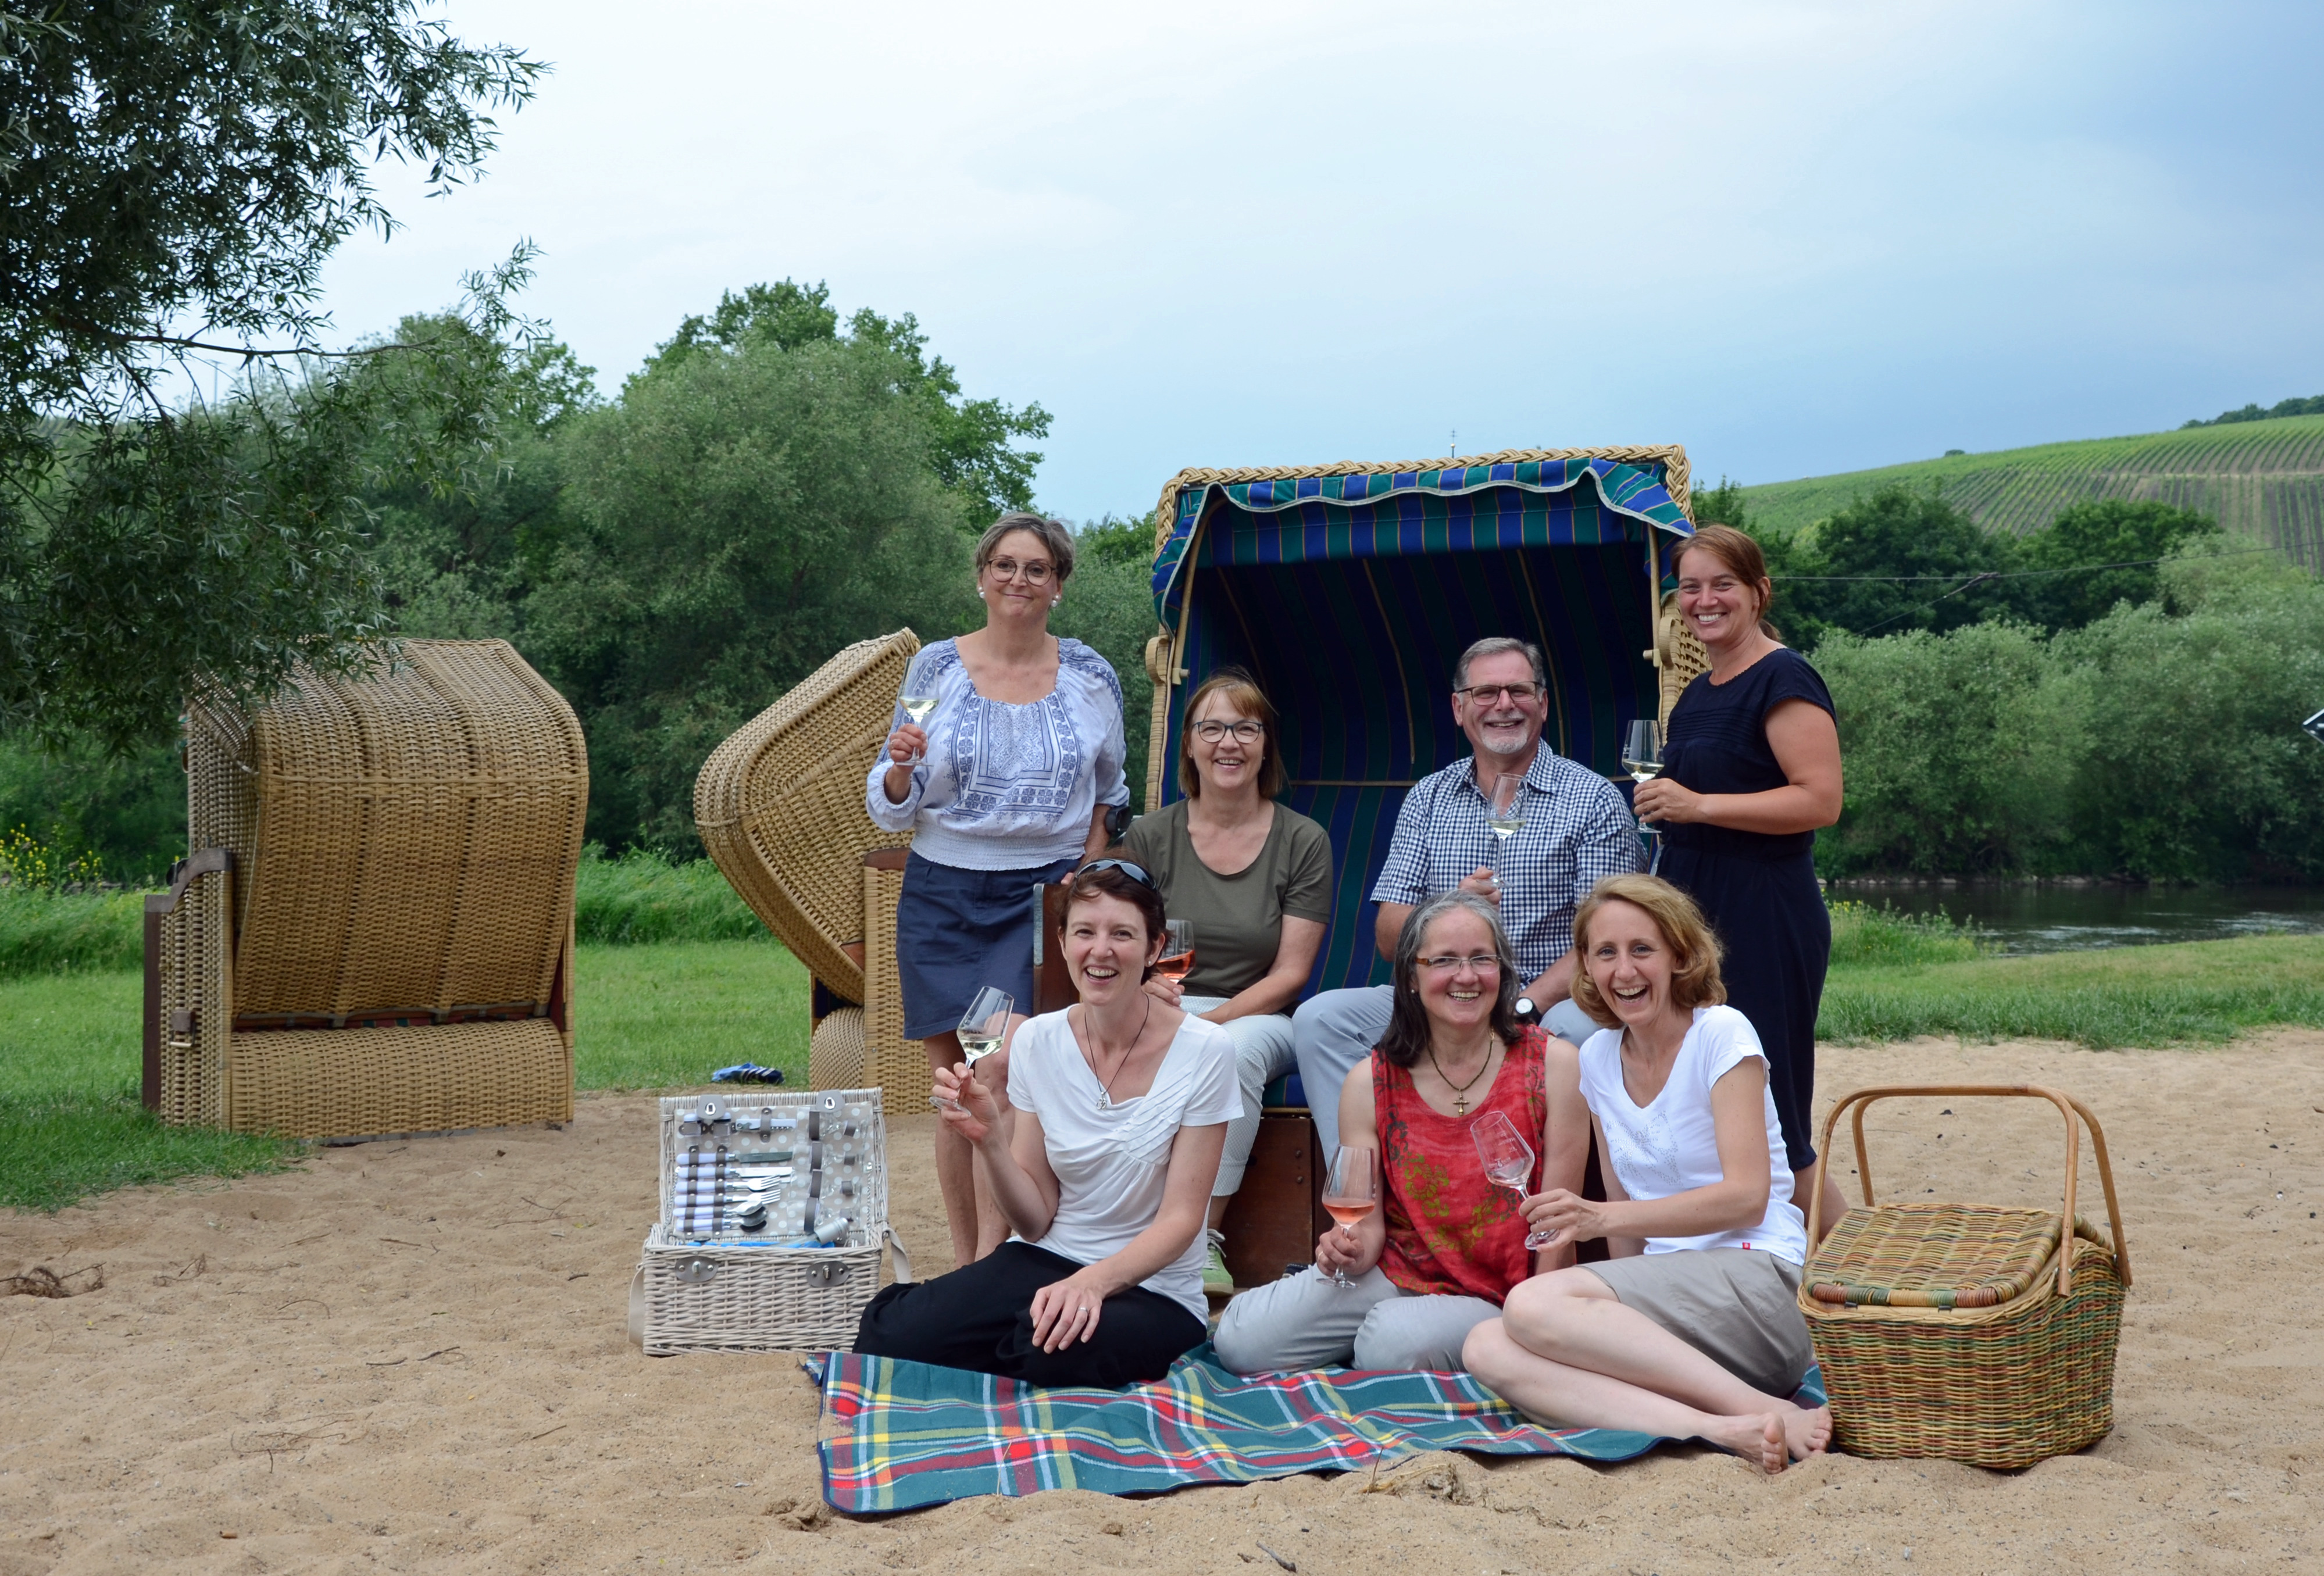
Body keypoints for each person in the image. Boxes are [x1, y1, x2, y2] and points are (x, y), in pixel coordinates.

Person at [1461, 874, 1831, 1474]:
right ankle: (1717, 1424)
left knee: (1529, 1305)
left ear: (1679, 955)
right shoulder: (1599, 1059)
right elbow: (1621, 1207)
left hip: (1757, 1283)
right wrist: (1596, 1275)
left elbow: (1746, 1196)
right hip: (1675, 1312)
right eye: (1605, 952)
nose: (1623, 970)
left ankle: (1766, 1404)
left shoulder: (1720, 1032)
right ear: (1586, 966)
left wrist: (1596, 1221)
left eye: (1642, 949)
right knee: (1485, 1344)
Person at [852, 861, 1238, 1387]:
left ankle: (1018, 1332)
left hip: (1152, 1289)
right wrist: (990, 1142)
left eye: (1121, 934)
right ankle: (993, 1324)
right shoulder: (1038, 1040)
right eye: (1084, 931)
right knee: (888, 1339)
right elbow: (1035, 1220)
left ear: (1153, 948)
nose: (1100, 950)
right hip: (1043, 1259)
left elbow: (1180, 1221)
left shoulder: (1207, 1051)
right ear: (1061, 942)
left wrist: (1092, 1283)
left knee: (1049, 1353)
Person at [866, 512, 1130, 1268]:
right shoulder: (934, 672)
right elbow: (894, 787)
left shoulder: (1089, 675)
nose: (1020, 579)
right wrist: (896, 766)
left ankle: (994, 1260)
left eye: (1037, 568)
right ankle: (966, 1266)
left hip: (1036, 901)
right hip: (941, 894)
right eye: (1006, 565)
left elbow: (1108, 789)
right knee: (955, 1091)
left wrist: (1087, 867)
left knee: (996, 1069)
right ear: (981, 576)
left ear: (1058, 584)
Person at [1212, 892, 1590, 1373]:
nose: (1466, 976)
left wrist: (1536, 1318)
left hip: (1501, 1289)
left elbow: (1558, 1224)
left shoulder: (1554, 1065)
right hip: (1397, 1269)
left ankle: (1429, 1335)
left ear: (1502, 969)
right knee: (1241, 1343)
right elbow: (1365, 1229)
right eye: (1445, 961)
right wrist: (1344, 1246)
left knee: (1387, 1344)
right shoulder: (1370, 1081)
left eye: (1481, 959)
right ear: (1411, 977)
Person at [1292, 635, 1638, 1157]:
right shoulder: (1427, 797)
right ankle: (1369, 1183)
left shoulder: (1591, 799)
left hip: (1544, 998)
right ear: (1459, 708)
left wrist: (1525, 1003)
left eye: (1518, 690)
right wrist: (1446, 908)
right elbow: (1389, 937)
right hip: (1440, 991)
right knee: (1320, 1019)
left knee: (1574, 1028)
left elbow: (1604, 940)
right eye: (1485, 692)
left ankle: (1536, 1190)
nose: (1503, 704)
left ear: (1542, 704)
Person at [1630, 524, 1845, 1234]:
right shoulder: (1697, 693)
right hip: (1698, 916)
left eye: (1721, 583)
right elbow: (1696, 799)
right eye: (1689, 587)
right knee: (1727, 1096)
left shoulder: (1784, 677)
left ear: (1759, 591)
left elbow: (1819, 799)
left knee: (1774, 1102)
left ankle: (1853, 1267)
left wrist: (1697, 804)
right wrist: (1662, 803)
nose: (1704, 600)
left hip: (1763, 912)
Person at [1123, 669, 1333, 1293]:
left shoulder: (1302, 839)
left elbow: (1290, 973)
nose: (1229, 742)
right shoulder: (1150, 835)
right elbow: (1122, 939)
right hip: (1161, 999)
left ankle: (1197, 1242)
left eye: (1246, 728)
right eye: (1211, 727)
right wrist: (1147, 991)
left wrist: (1209, 1022)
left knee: (1225, 1049)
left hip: (1260, 1015)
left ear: (1266, 745)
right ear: (1188, 744)